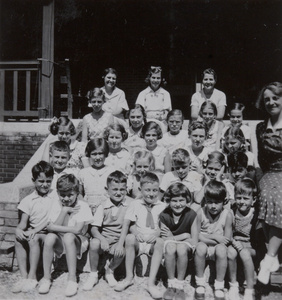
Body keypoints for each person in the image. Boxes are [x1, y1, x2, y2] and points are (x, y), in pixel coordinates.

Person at [38, 174, 93, 297]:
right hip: (60, 240)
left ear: (77, 193)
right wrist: (63, 211)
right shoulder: (57, 204)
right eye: (62, 195)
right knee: (50, 237)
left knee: (68, 236)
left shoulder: (82, 206)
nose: (66, 198)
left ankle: (72, 279)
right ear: (57, 193)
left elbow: (77, 230)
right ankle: (47, 278)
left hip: (79, 241)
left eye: (70, 195)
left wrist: (53, 227)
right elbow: (51, 231)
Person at [114, 172, 167, 292]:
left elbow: (163, 227)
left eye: (155, 190)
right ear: (140, 189)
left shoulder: (163, 206)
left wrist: (156, 234)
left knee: (160, 241)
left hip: (152, 242)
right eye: (147, 190)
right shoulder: (135, 204)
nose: (151, 194)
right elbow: (130, 224)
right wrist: (136, 233)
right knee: (129, 238)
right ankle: (129, 277)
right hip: (139, 241)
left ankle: (151, 283)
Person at [83, 171, 133, 290]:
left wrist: (120, 244)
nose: (118, 192)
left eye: (122, 189)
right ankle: (93, 274)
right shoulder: (103, 205)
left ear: (126, 189)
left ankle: (110, 271)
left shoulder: (129, 205)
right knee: (94, 243)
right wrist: (102, 240)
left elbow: (126, 227)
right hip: (104, 238)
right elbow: (94, 228)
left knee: (121, 250)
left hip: (119, 239)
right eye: (115, 189)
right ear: (107, 190)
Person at [13, 161, 55, 293]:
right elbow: (23, 223)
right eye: (41, 181)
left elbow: (51, 220)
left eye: (48, 181)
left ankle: (33, 277)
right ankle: (23, 276)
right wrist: (18, 230)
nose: (45, 185)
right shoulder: (28, 200)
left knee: (33, 238)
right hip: (35, 232)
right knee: (18, 239)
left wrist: (33, 231)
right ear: (34, 181)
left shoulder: (55, 196)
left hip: (49, 232)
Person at [255, 82, 282, 285]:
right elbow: (261, 159)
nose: (271, 102)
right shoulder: (261, 127)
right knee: (265, 194)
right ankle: (272, 256)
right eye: (267, 99)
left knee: (279, 198)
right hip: (270, 172)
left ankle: (269, 258)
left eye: (275, 98)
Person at [194, 181, 233, 300]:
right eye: (209, 202)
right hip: (204, 247)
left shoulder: (227, 215)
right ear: (205, 200)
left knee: (221, 250)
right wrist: (215, 237)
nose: (213, 206)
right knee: (200, 247)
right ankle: (200, 283)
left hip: (218, 249)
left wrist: (206, 237)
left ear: (224, 202)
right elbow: (195, 235)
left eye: (217, 202)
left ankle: (219, 285)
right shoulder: (200, 213)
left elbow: (225, 241)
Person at [159, 183, 198, 300]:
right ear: (168, 201)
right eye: (174, 201)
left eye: (181, 200)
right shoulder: (164, 215)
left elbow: (194, 239)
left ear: (187, 200)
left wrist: (175, 238)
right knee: (170, 246)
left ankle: (180, 285)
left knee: (180, 248)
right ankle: (171, 284)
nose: (178, 204)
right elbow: (164, 238)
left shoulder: (191, 214)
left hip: (186, 246)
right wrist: (183, 236)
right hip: (171, 245)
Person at [228, 179, 259, 300]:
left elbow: (259, 239)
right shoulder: (232, 211)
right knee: (230, 253)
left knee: (245, 253)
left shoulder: (255, 214)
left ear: (253, 200)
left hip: (251, 246)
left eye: (246, 198)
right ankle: (233, 285)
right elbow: (228, 233)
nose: (241, 202)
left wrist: (244, 246)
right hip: (235, 242)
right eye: (239, 197)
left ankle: (249, 289)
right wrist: (236, 243)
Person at [77, 138, 115, 214]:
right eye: (94, 154)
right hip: (87, 210)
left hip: (106, 210)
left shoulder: (111, 171)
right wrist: (84, 205)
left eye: (100, 153)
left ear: (106, 154)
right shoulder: (83, 172)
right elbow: (79, 193)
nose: (97, 158)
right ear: (89, 154)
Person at [136, 66, 172, 131]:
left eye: (158, 78)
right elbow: (138, 111)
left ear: (161, 79)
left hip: (161, 122)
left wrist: (159, 118)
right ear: (149, 78)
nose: (155, 80)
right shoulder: (143, 93)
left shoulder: (165, 94)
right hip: (146, 121)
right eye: (153, 78)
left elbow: (166, 112)